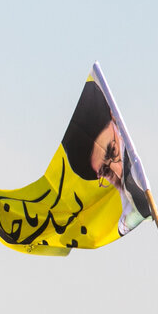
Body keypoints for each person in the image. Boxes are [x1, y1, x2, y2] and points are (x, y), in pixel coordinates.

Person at [60, 80, 152, 236]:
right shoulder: (125, 212)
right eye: (105, 171)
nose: (116, 171)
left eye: (112, 151)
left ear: (114, 119)